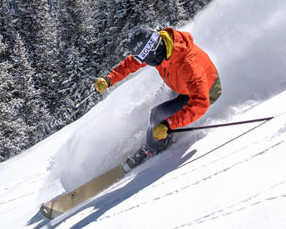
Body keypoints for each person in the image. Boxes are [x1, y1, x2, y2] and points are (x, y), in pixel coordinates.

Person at [94, 26, 221, 167]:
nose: (143, 61)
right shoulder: (160, 48)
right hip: (182, 86)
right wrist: (109, 79)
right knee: (164, 97)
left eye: (144, 58)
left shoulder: (187, 64)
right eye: (141, 57)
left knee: (157, 114)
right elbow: (131, 63)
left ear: (153, 53)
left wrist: (169, 124)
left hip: (206, 92)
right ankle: (161, 131)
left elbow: (200, 103)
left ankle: (153, 148)